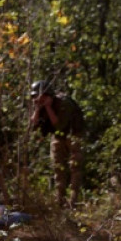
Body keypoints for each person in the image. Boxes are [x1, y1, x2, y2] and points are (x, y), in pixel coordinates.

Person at [29, 80, 86, 208]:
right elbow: (33, 125)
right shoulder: (40, 105)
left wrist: (48, 107)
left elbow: (59, 125)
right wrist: (37, 109)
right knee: (57, 167)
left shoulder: (64, 103)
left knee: (74, 167)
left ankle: (73, 201)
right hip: (58, 137)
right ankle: (60, 200)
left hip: (73, 135)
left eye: (40, 96)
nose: (37, 99)